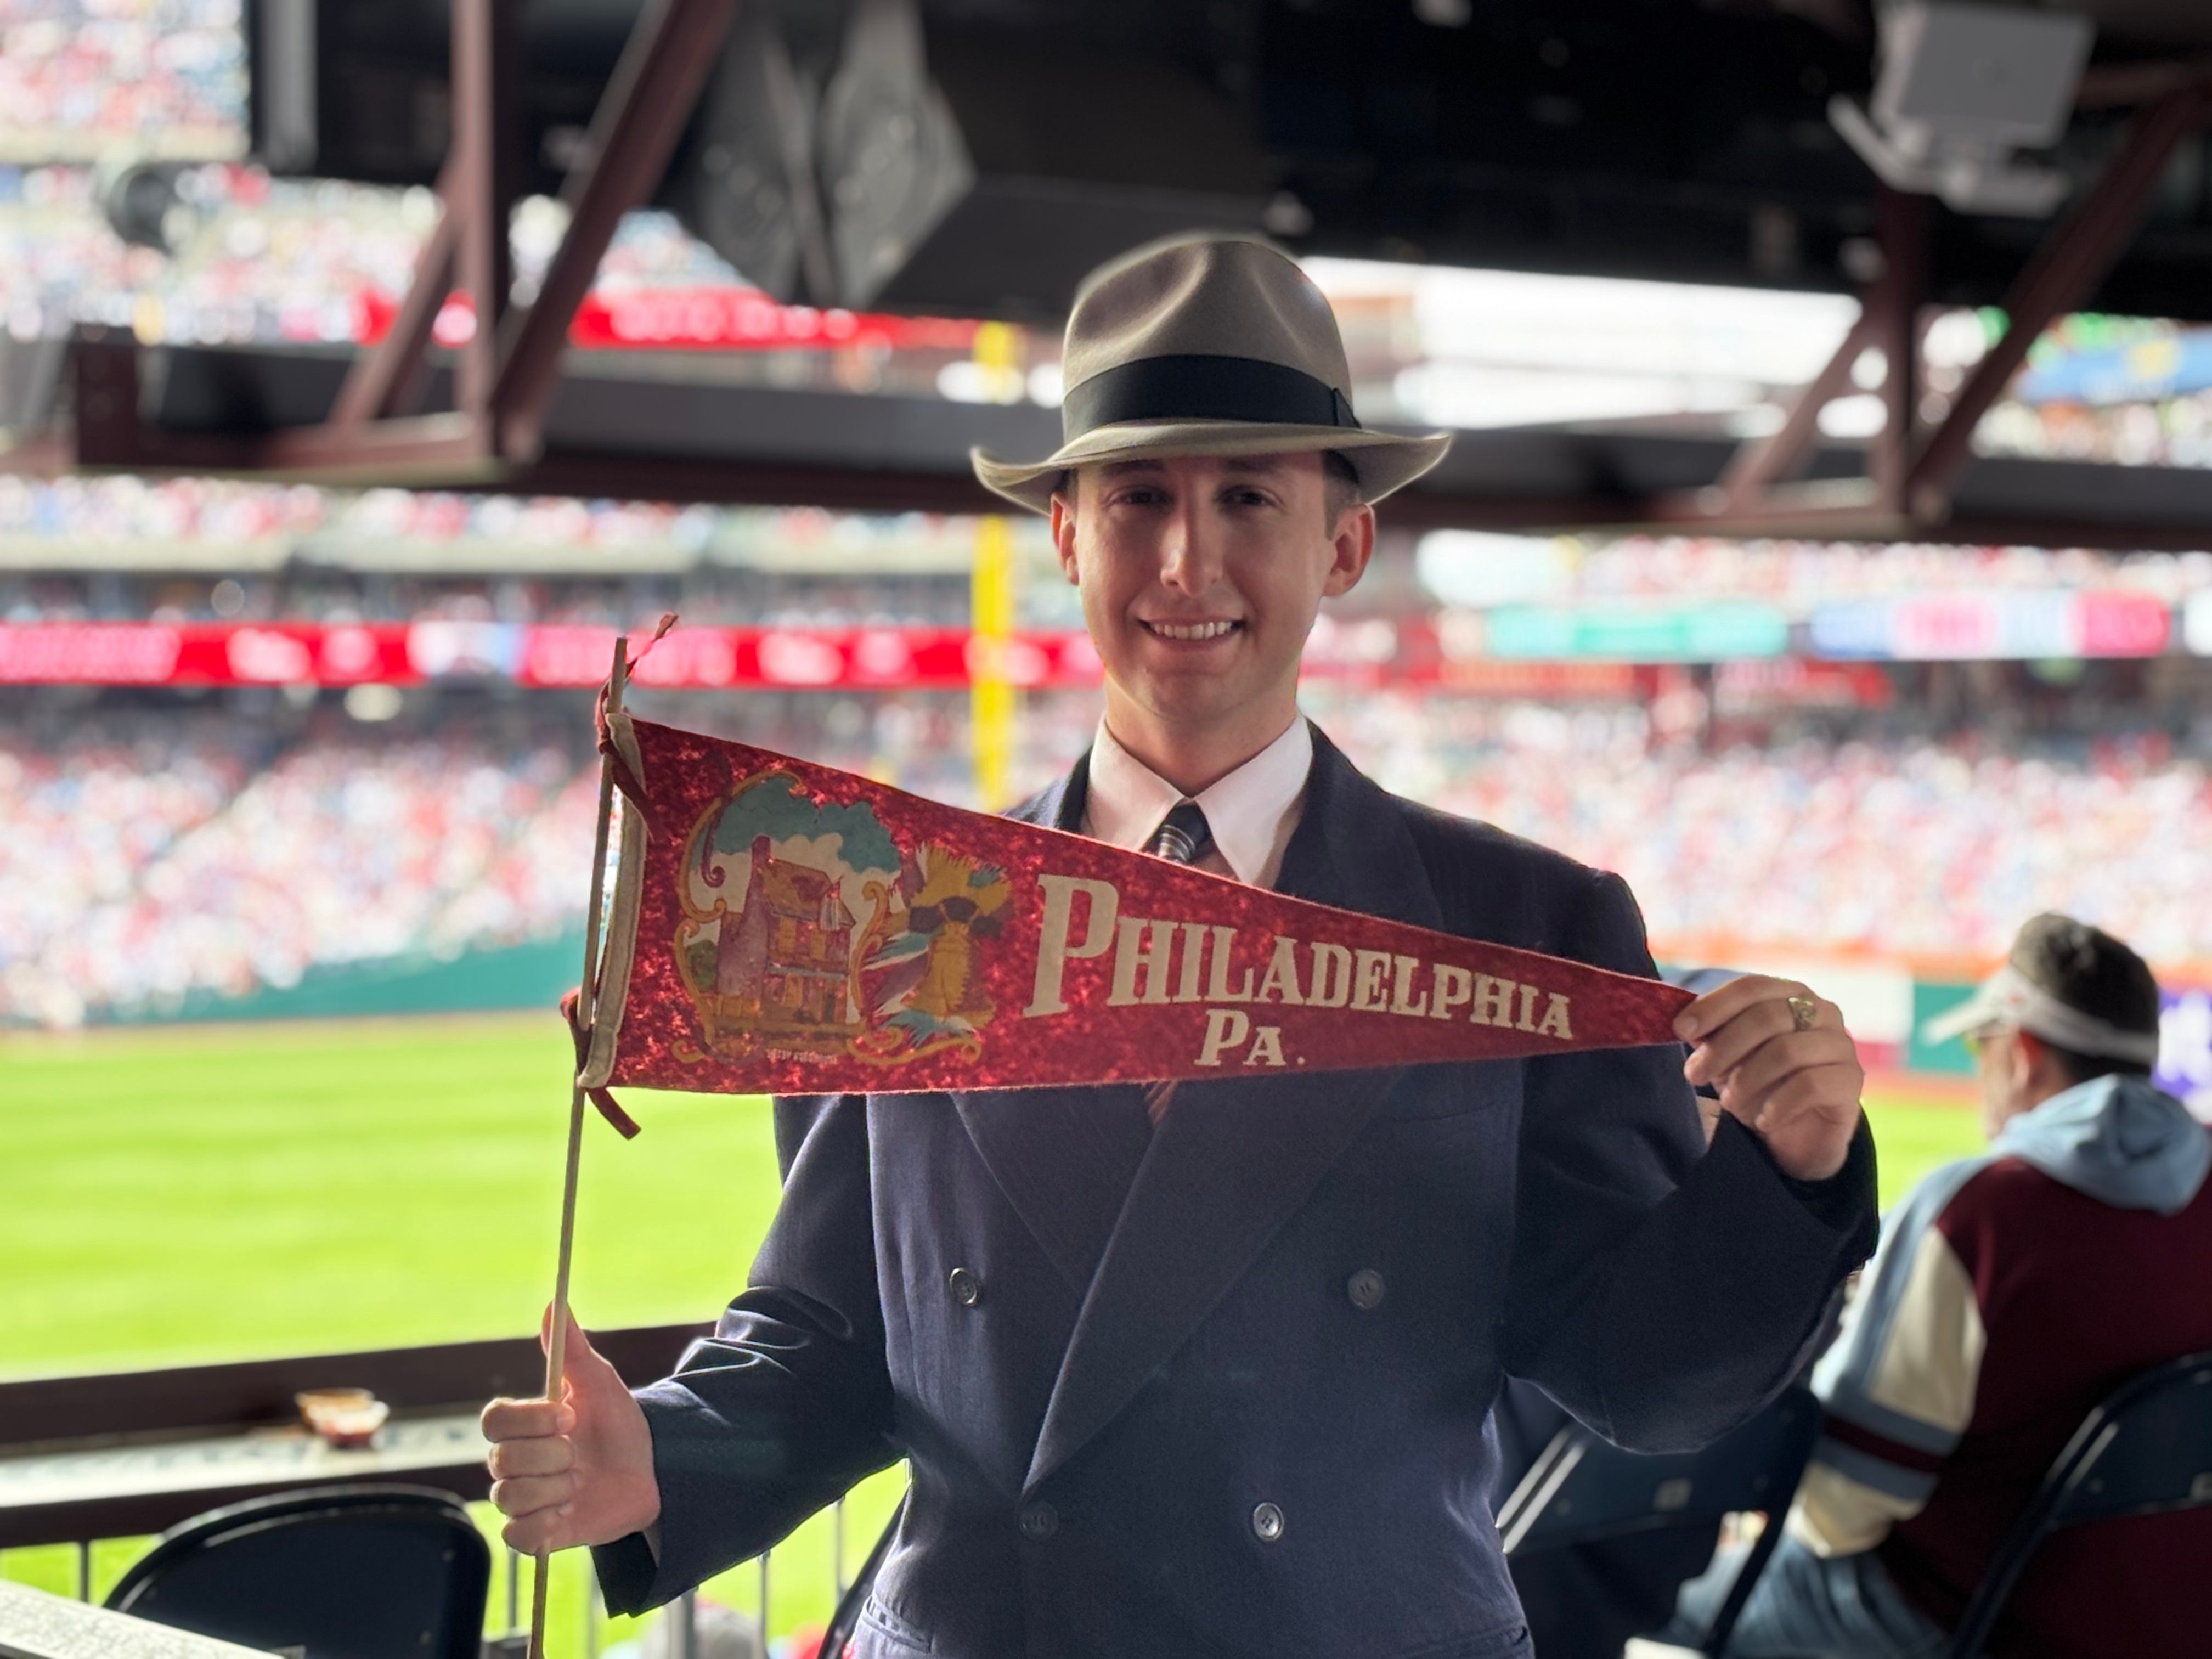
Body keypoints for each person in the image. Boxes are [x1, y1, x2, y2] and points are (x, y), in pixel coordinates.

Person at [482, 235, 1878, 1659]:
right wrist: (652, 1462)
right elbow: (832, 1338)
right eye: (1139, 495)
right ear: (1068, 535)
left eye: (1249, 499)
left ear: (1345, 543)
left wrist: (1794, 1173)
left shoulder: (1529, 928)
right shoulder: (889, 910)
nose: (1186, 560)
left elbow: (1640, 1379)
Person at [1663, 912, 2212, 1658]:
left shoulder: (1981, 1211)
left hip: (1966, 1616)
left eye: (1977, 1048)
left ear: (2019, 1056)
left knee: (1654, 1592)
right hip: (2170, 1615)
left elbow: (1842, 1509)